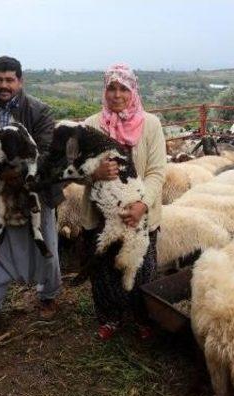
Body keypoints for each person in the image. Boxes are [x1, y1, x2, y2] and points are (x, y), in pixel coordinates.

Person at [0, 56, 61, 340]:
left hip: (35, 193)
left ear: (20, 80)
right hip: (0, 196)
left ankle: (48, 296)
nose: (4, 85)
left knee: (46, 247)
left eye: (9, 80)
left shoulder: (39, 111)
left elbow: (46, 152)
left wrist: (17, 174)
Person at [81, 64, 166, 341]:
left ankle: (143, 318)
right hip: (103, 214)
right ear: (104, 90)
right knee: (105, 269)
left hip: (139, 213)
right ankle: (110, 318)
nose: (116, 95)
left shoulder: (150, 125)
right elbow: (75, 168)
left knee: (141, 267)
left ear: (133, 91)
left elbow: (156, 171)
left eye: (123, 89)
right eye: (111, 88)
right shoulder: (91, 125)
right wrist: (94, 174)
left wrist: (143, 204)